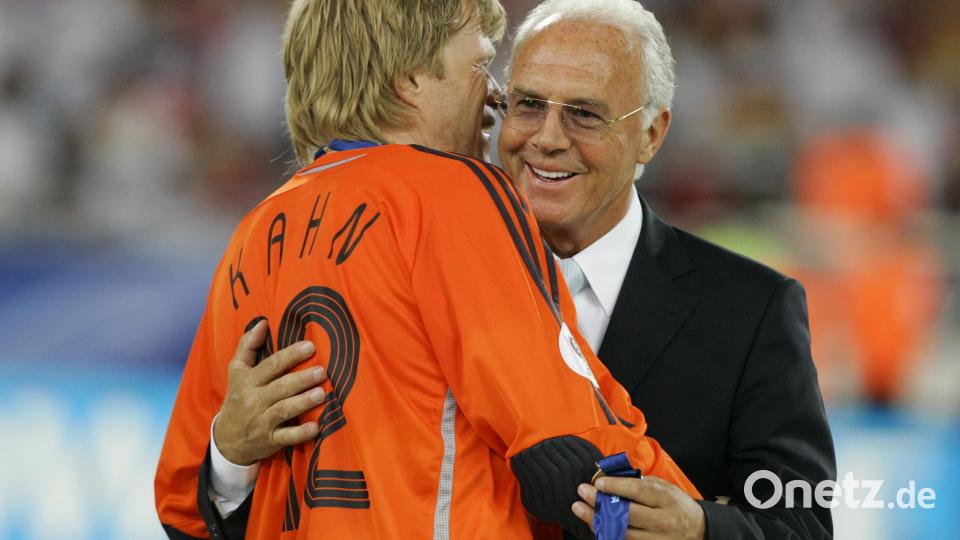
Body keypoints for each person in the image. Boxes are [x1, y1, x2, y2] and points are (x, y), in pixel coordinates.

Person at [208, 0, 837, 538]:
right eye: (527, 104)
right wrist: (229, 455)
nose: (546, 137)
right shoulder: (409, 250)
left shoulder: (751, 308)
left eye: (584, 114)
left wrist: (700, 526)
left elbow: (803, 520)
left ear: (651, 133)